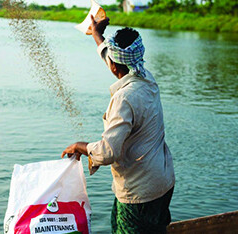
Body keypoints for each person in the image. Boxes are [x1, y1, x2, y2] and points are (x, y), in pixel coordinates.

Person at [62, 15, 175, 234]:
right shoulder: (147, 79)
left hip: (139, 191)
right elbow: (113, 58)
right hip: (162, 182)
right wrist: (96, 34)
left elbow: (107, 152)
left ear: (114, 65)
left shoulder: (124, 98)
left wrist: (80, 146)